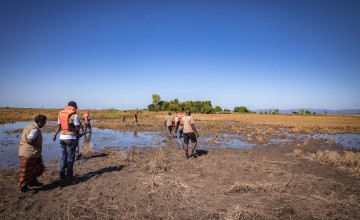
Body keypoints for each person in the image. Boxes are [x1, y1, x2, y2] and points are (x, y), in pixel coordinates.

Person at [53, 101, 81, 184]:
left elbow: (59, 127)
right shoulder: (74, 116)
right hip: (70, 138)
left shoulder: (61, 115)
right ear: (73, 107)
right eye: (76, 106)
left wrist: (55, 135)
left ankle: (62, 175)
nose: (77, 108)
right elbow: (77, 128)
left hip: (61, 138)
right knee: (70, 157)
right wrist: (77, 134)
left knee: (64, 156)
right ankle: (69, 177)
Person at [18, 114, 47, 193]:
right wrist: (37, 145)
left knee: (39, 167)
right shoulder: (35, 130)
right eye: (44, 122)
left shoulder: (29, 126)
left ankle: (32, 181)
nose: (45, 124)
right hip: (28, 153)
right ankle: (23, 187)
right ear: (40, 122)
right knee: (26, 171)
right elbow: (29, 140)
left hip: (33, 153)